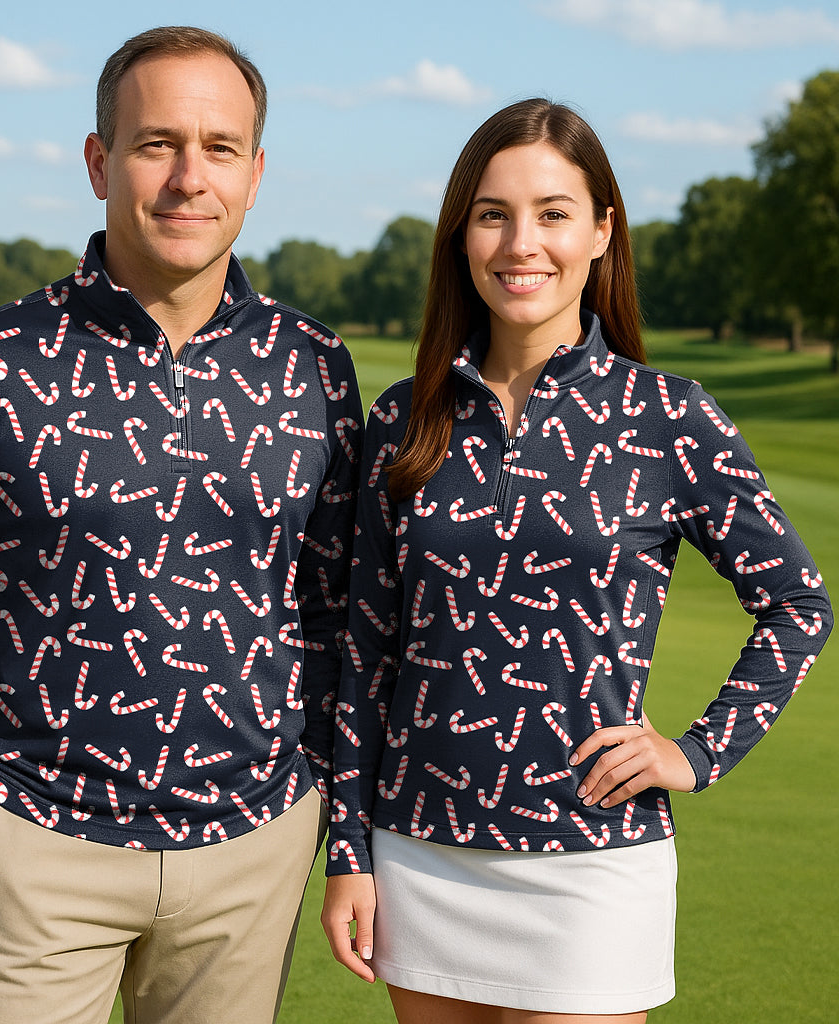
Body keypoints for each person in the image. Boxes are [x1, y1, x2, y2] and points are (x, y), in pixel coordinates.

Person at [0, 26, 362, 1024]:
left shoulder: (311, 367)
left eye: (218, 149)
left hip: (249, 854)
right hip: (33, 848)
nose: (186, 178)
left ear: (255, 175)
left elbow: (341, 612)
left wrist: (321, 813)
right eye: (155, 143)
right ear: (99, 161)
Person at [320, 98, 831, 1023]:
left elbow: (798, 603)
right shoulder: (402, 417)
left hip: (591, 860)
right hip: (420, 853)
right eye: (493, 214)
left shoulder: (669, 417)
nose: (523, 243)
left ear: (602, 232)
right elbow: (363, 657)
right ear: (461, 236)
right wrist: (350, 852)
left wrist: (699, 752)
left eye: (554, 213)